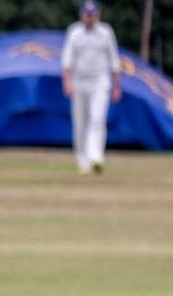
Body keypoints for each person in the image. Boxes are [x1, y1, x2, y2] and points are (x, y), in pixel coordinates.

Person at [62, 0, 123, 175]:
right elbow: (67, 61)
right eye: (87, 15)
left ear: (97, 15)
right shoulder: (74, 33)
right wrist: (67, 82)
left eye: (92, 14)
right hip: (79, 81)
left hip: (100, 81)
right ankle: (83, 160)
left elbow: (114, 61)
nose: (89, 18)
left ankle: (96, 157)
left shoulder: (105, 32)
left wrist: (117, 86)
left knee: (97, 119)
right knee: (80, 122)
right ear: (82, 15)